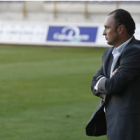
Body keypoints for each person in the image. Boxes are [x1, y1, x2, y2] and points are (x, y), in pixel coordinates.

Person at [91, 9, 140, 140]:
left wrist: (103, 82)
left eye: (107, 28)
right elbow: (93, 83)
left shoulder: (135, 52)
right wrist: (105, 82)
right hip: (113, 122)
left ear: (121, 29)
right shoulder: (108, 53)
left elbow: (114, 85)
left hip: (130, 126)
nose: (103, 33)